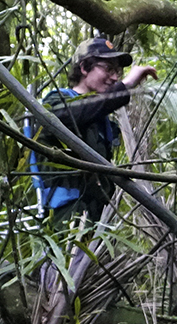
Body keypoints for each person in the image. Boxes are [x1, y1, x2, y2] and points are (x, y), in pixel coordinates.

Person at [32, 36, 158, 219]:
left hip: (98, 217)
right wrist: (127, 85)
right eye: (108, 69)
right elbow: (77, 114)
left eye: (118, 71)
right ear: (84, 67)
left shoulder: (101, 117)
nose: (114, 77)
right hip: (66, 216)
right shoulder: (56, 102)